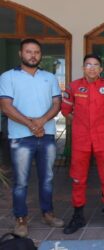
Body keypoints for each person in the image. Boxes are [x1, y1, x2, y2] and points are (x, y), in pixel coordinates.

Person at [0, 38, 64, 237]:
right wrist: (32, 125)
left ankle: (48, 213)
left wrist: (41, 121)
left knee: (47, 178)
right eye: (28, 51)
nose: (33, 55)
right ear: (21, 54)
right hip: (21, 137)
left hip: (46, 136)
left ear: (40, 55)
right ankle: (21, 218)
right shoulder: (8, 77)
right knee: (21, 181)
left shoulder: (50, 77)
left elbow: (57, 104)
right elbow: (6, 107)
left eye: (36, 52)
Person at [61, 54, 104, 234]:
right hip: (81, 141)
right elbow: (66, 111)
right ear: (83, 67)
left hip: (103, 140)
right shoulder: (73, 87)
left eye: (96, 65)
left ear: (101, 69)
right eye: (88, 64)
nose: (92, 68)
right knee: (78, 179)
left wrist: (101, 125)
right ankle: (77, 216)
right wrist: (81, 124)